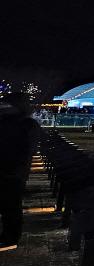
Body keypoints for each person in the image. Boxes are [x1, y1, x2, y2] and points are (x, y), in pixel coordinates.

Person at [0, 93, 39, 251]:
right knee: (11, 206)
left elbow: (23, 150)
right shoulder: (24, 123)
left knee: (11, 206)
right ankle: (10, 236)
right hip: (13, 172)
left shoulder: (20, 124)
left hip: (10, 171)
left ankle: (10, 237)